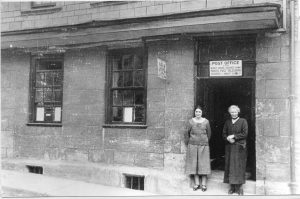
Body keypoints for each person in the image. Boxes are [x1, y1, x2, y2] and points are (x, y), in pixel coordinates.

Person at [222, 105, 248, 195]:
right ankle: (232, 187)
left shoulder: (243, 121)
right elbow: (224, 134)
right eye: (232, 112)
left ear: (238, 112)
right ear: (230, 113)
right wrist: (228, 139)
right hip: (230, 147)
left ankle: (239, 188)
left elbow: (245, 133)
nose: (233, 114)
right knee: (230, 167)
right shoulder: (227, 122)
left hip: (240, 147)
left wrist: (234, 136)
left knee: (239, 167)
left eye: (235, 112)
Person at [185, 106, 211, 191]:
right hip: (192, 146)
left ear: (202, 112)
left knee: (203, 164)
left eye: (199, 112)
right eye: (196, 111)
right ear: (194, 112)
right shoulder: (191, 122)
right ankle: (196, 184)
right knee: (194, 165)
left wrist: (204, 141)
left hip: (203, 146)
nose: (198, 113)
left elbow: (209, 134)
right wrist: (191, 142)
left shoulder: (206, 122)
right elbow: (187, 133)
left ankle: (204, 184)